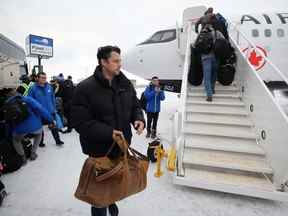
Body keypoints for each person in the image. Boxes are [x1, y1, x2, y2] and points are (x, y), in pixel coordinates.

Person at [71, 45, 145, 216]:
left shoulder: (125, 84)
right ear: (103, 62)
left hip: (121, 147)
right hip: (99, 151)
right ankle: (102, 206)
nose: (120, 64)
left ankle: (111, 200)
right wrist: (108, 132)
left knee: (115, 181)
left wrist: (138, 119)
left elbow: (135, 105)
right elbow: (80, 122)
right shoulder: (85, 88)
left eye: (120, 60)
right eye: (116, 61)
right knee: (99, 194)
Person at [4, 89, 53, 164]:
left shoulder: (7, 105)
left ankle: (23, 157)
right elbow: (40, 108)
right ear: (18, 94)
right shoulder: (27, 99)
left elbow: (8, 122)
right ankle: (33, 153)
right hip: (35, 126)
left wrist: (10, 134)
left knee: (16, 140)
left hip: (19, 129)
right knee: (39, 134)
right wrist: (50, 119)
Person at [28, 72, 64, 146]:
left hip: (50, 112)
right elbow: (30, 100)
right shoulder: (32, 88)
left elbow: (52, 98)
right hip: (39, 112)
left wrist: (54, 108)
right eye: (42, 77)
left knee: (53, 127)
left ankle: (58, 141)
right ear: (37, 78)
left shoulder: (49, 87)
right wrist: (33, 111)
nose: (44, 79)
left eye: (45, 78)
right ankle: (40, 143)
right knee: (40, 129)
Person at [198, 25, 225, 102]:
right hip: (215, 56)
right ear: (212, 27)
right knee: (214, 74)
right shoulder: (217, 33)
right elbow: (224, 41)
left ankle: (209, 95)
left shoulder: (202, 34)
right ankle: (212, 89)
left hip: (205, 57)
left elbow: (196, 44)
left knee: (207, 77)